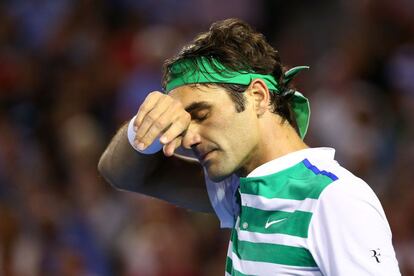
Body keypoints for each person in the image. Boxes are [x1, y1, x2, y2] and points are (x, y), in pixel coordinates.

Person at [98, 18, 401, 275]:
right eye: (184, 124)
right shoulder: (238, 188)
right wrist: (143, 126)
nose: (189, 139)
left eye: (202, 114)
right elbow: (120, 173)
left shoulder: (334, 199)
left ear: (258, 96)